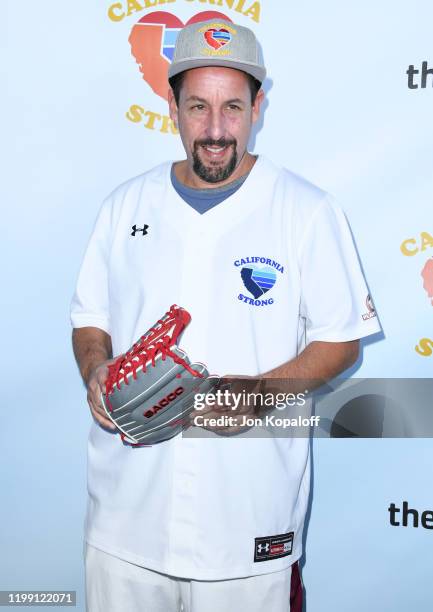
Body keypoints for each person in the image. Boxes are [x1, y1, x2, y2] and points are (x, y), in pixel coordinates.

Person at [71, 18, 381, 612]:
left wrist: (259, 393)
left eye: (232, 107)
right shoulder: (124, 206)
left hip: (248, 527)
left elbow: (342, 341)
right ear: (172, 106)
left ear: (258, 106)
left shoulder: (307, 210)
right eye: (198, 108)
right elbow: (90, 318)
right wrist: (95, 370)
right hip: (123, 524)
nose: (215, 130)